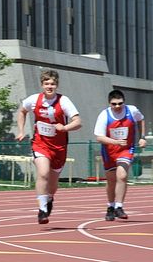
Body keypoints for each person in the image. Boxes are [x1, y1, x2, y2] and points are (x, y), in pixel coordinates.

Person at [16, 69, 81, 224]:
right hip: (40, 144)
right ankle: (42, 209)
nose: (49, 86)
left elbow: (78, 122)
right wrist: (21, 130)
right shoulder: (33, 99)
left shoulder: (64, 101)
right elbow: (22, 111)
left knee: (52, 183)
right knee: (43, 173)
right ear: (42, 85)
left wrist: (65, 128)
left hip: (59, 147)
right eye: (46, 84)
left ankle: (50, 198)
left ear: (56, 85)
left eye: (52, 84)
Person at [94, 89, 145, 221]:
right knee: (111, 181)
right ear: (109, 104)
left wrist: (142, 137)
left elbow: (141, 119)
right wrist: (115, 142)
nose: (117, 106)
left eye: (120, 103)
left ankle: (119, 206)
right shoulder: (104, 115)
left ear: (124, 102)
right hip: (109, 151)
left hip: (126, 149)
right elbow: (99, 137)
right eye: (114, 104)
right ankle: (110, 206)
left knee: (122, 176)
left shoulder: (132, 111)